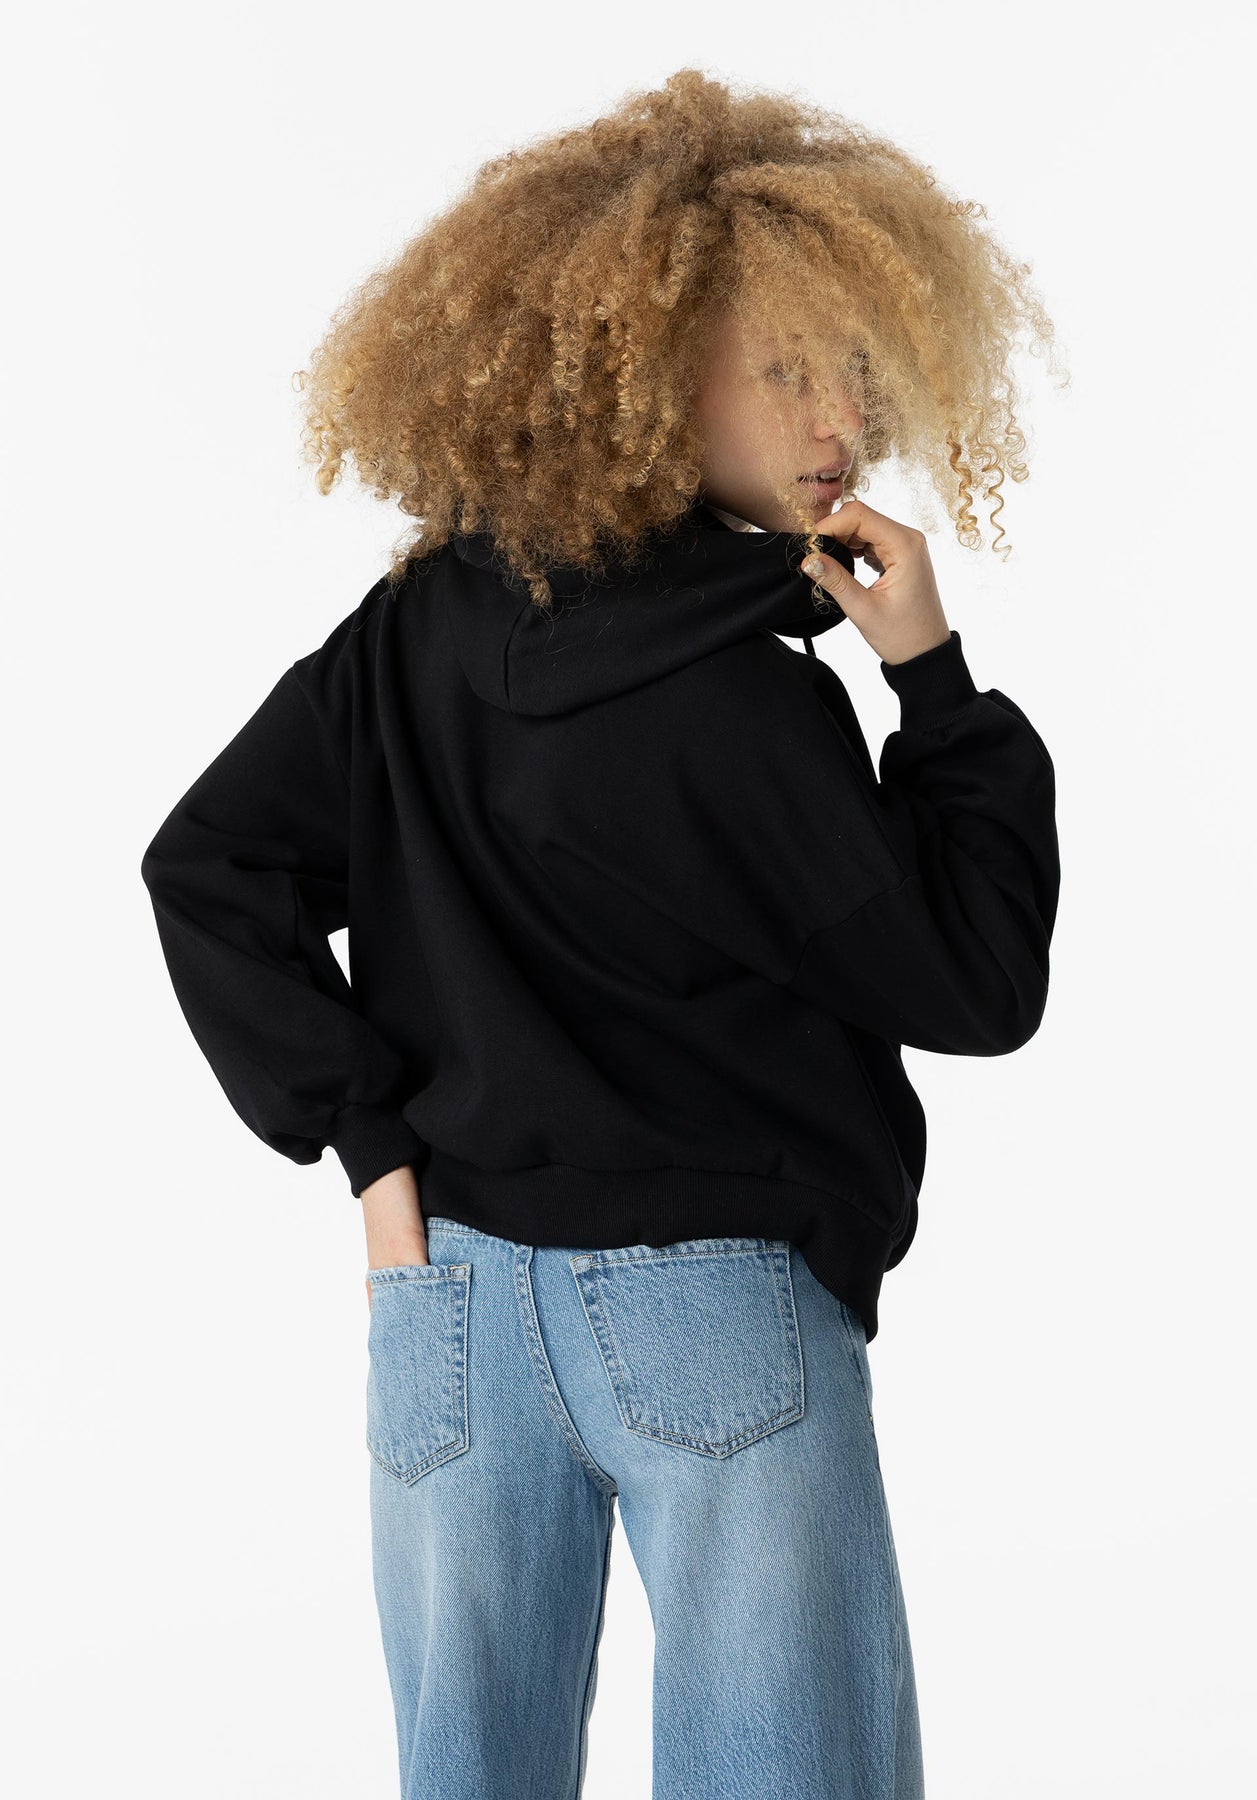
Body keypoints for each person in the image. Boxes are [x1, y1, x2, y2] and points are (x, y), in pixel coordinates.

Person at [140, 68, 1062, 1800]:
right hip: (715, 1308)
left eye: (855, 368)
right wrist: (935, 686)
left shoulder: (410, 631)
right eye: (782, 368)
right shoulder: (740, 703)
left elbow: (207, 868)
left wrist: (373, 1157)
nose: (837, 416)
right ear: (644, 374)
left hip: (446, 1310)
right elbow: (976, 980)